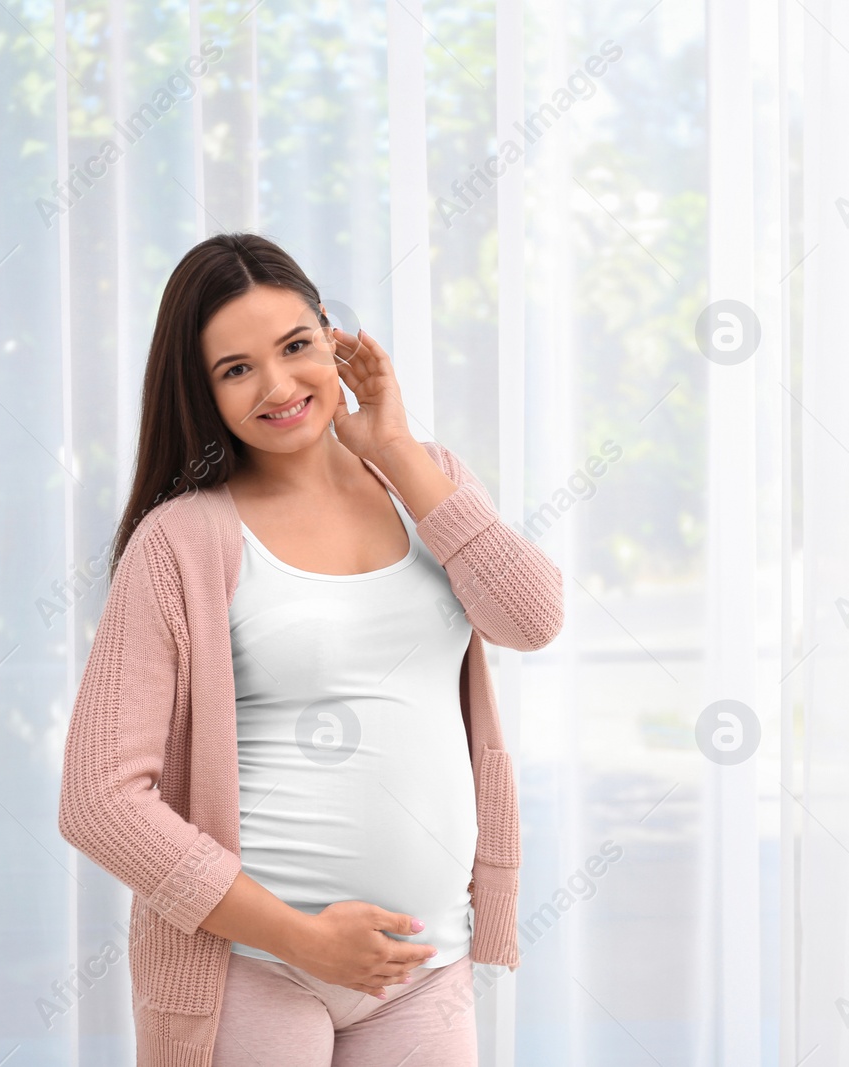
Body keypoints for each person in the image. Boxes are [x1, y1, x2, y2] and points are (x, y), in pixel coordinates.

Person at [57, 233, 564, 1065]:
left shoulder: (426, 482)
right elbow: (98, 799)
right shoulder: (181, 540)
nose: (280, 385)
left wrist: (397, 452)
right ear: (204, 390)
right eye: (237, 368)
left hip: (425, 963)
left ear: (334, 337)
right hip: (256, 967)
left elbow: (532, 618)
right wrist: (302, 938)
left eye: (297, 346)